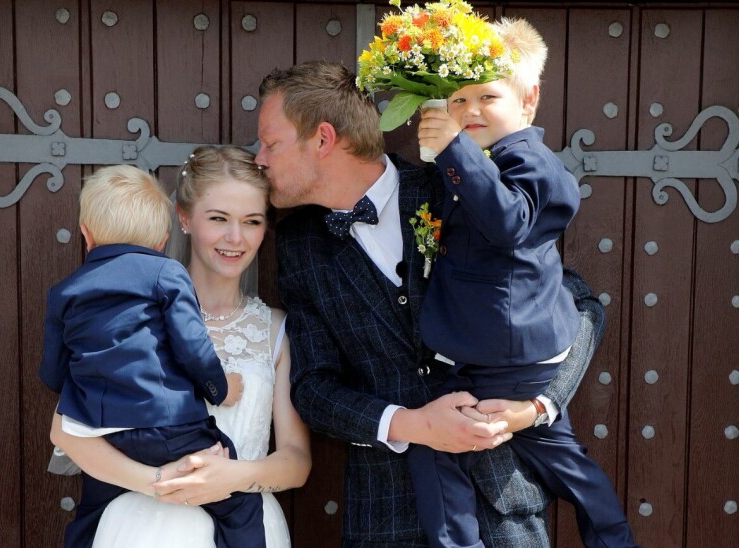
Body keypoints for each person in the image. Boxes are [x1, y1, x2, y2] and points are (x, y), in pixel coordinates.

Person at [257, 60, 605, 546]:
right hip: (385, 521)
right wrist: (412, 424)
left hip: (500, 505)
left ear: (323, 139)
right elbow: (314, 389)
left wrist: (537, 406)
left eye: (270, 143)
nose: (259, 159)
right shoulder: (299, 245)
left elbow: (579, 304)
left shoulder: (454, 186)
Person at [411, 18, 635, 548]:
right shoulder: (474, 161)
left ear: (528, 99)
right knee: (566, 464)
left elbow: (508, 222)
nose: (470, 110)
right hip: (495, 354)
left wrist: (454, 151)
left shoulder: (532, 163)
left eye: (487, 97)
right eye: (457, 99)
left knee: (437, 447)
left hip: (509, 357)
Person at [48, 146, 310, 548]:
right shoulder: (130, 313)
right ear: (183, 218)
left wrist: (230, 478)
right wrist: (158, 481)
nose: (235, 237)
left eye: (252, 221)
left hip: (246, 517)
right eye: (218, 218)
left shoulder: (276, 329)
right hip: (140, 524)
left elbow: (296, 462)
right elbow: (66, 433)